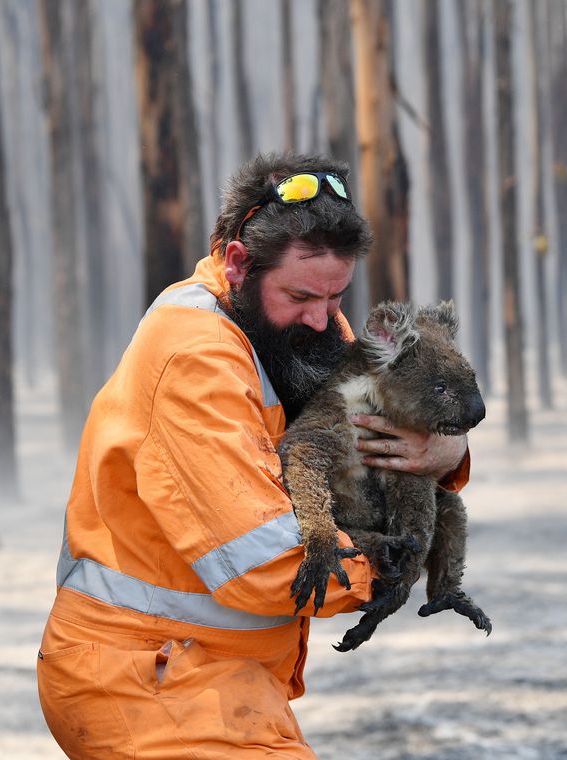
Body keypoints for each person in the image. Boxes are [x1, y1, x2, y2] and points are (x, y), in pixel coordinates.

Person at [36, 153, 471, 759]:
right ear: (239, 263)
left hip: (217, 676)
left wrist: (447, 450)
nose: (323, 319)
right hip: (146, 679)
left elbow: (387, 427)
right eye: (301, 295)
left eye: (337, 297)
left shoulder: (297, 323)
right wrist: (394, 561)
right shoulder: (194, 358)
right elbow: (264, 562)